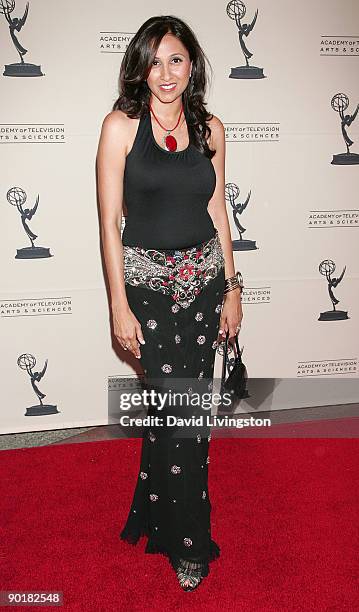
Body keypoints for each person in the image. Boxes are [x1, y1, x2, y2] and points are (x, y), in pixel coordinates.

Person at [96, 15, 243, 592]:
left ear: (192, 65)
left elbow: (218, 212)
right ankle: (190, 543)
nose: (165, 73)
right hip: (148, 293)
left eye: (176, 59)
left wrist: (232, 290)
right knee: (182, 417)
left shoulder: (211, 128)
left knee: (178, 417)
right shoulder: (119, 127)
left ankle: (155, 515)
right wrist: (118, 307)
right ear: (140, 66)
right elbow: (110, 222)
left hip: (206, 287)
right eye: (154, 61)